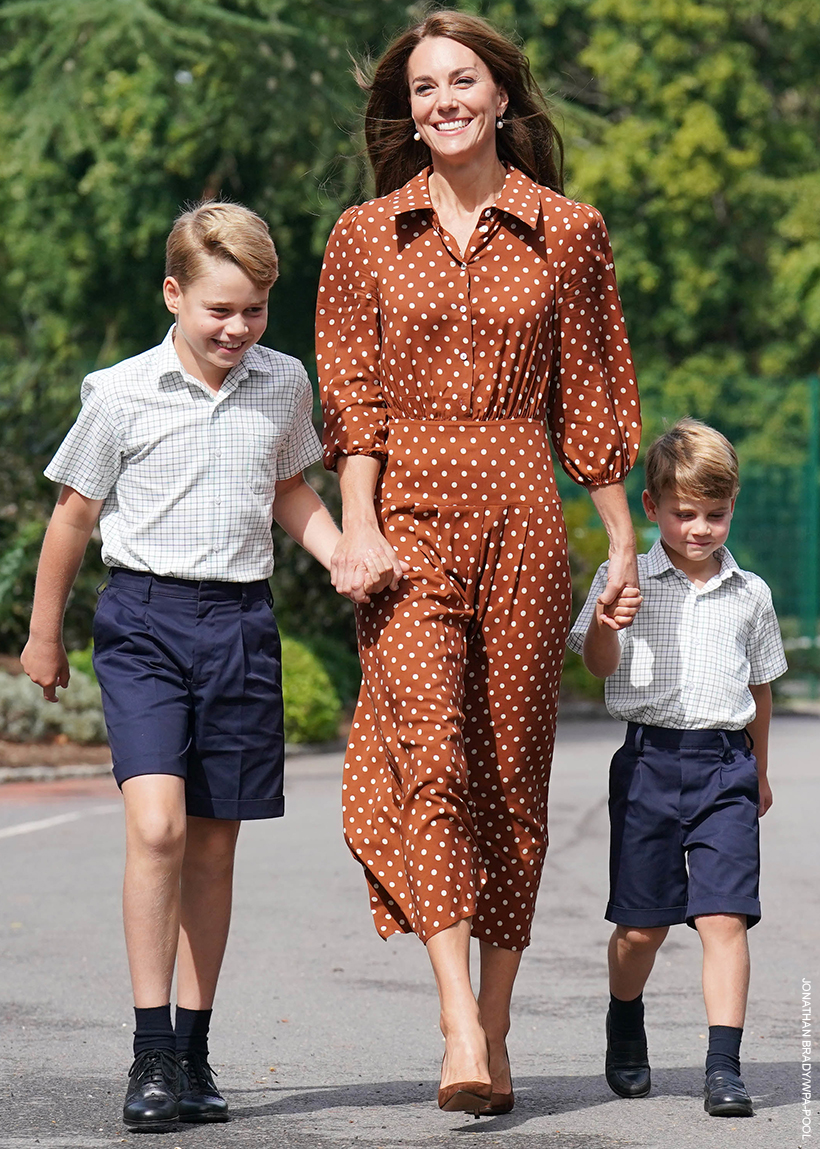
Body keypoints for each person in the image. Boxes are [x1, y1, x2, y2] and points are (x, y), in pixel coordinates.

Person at [316, 10, 641, 1117]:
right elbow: (350, 405)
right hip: (404, 522)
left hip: (522, 518)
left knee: (510, 778)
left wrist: (621, 537)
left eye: (463, 81)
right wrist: (355, 525)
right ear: (405, 111)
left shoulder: (569, 230)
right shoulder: (364, 234)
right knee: (433, 760)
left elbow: (591, 393)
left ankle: (494, 1022)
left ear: (502, 96)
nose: (443, 101)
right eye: (422, 88)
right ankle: (457, 1015)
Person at [21, 202, 365, 1133]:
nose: (236, 328)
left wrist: (340, 554)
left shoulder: (283, 382)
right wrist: (44, 636)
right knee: (161, 827)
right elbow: (74, 519)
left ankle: (196, 1049)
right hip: (144, 623)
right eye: (218, 308)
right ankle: (148, 1051)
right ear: (173, 293)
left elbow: (292, 490)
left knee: (214, 846)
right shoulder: (120, 392)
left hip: (242, 625)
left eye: (253, 309)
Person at [567, 418, 787, 1117]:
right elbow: (597, 668)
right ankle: (624, 1016)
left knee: (725, 918)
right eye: (683, 513)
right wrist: (608, 622)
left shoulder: (750, 593)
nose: (699, 528)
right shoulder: (621, 577)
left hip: (725, 767)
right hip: (648, 764)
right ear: (652, 507)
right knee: (642, 929)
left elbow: (760, 689)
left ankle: (723, 1066)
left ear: (732, 506)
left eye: (715, 514)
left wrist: (759, 768)